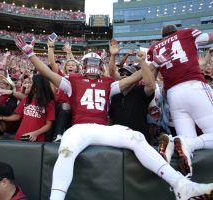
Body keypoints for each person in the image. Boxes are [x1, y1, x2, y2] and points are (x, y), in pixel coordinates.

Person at [14, 35, 213, 200]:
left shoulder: (108, 83)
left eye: (95, 62)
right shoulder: (73, 81)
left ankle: (181, 184)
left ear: (100, 65)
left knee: (136, 137)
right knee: (66, 151)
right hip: (79, 128)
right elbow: (48, 73)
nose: (92, 66)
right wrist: (30, 54)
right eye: (89, 62)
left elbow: (133, 78)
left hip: (102, 128)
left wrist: (152, 63)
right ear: (83, 65)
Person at [147, 25, 213, 176]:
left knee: (187, 146)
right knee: (194, 141)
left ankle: (176, 147)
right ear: (176, 31)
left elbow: (153, 71)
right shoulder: (186, 34)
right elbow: (209, 37)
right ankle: (184, 142)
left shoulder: (154, 48)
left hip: (173, 94)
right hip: (194, 86)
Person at [108, 40, 155, 143]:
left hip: (139, 140)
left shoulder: (141, 91)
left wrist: (142, 62)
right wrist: (113, 56)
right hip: (118, 139)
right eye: (122, 74)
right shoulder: (115, 95)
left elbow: (151, 86)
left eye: (128, 74)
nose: (124, 76)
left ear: (135, 78)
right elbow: (111, 118)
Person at [0, 74, 55, 142]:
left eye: (31, 82)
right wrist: (1, 117)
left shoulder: (49, 103)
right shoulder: (27, 99)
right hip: (20, 137)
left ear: (37, 85)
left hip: (36, 140)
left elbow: (48, 125)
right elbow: (17, 116)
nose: (28, 85)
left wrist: (35, 134)